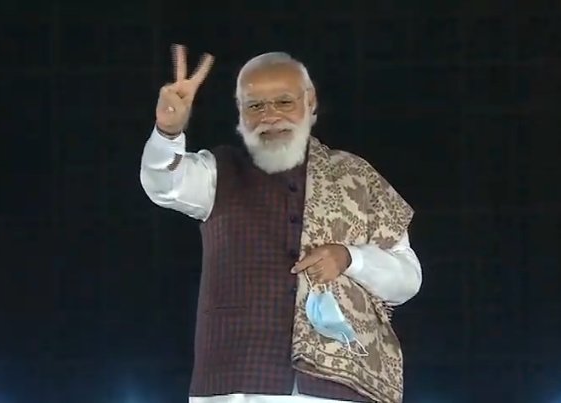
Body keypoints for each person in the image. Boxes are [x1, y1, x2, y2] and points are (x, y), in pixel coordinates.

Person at [140, 44, 423, 403]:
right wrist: (168, 133)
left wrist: (350, 258)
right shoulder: (218, 171)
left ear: (310, 102)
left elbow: (407, 277)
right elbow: (164, 184)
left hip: (339, 389)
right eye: (255, 106)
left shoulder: (357, 178)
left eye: (284, 102)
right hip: (238, 382)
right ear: (240, 113)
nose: (270, 116)